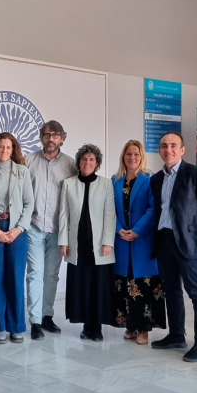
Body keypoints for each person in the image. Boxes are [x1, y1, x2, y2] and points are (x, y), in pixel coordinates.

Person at [150, 131, 197, 362]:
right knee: (171, 290)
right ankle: (176, 335)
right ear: (160, 150)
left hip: (190, 243)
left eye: (172, 145)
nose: (168, 150)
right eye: (163, 146)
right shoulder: (156, 179)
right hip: (164, 241)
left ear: (182, 150)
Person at [25, 121, 77, 340]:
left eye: (55, 135)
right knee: (35, 274)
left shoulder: (71, 165)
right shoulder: (28, 161)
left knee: (51, 275)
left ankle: (47, 316)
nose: (51, 139)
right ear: (41, 137)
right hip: (33, 227)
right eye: (47, 135)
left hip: (58, 230)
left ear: (62, 138)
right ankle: (35, 320)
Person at [58, 143, 116, 342]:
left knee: (98, 286)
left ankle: (97, 327)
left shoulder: (106, 184)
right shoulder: (68, 184)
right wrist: (63, 241)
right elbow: (63, 215)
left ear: (97, 163)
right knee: (81, 285)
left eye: (92, 159)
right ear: (79, 162)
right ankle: (85, 325)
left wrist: (108, 241)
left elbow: (110, 214)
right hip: (77, 244)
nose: (87, 162)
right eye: (84, 159)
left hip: (99, 244)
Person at [0, 132, 34, 344]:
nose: (4, 151)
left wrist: (18, 228)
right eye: (1, 147)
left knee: (15, 278)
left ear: (14, 150)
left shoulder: (22, 171)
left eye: (9, 147)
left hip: (16, 232)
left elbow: (29, 204)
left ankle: (16, 326)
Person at [112, 140, 166, 346]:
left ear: (141, 156)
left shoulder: (149, 179)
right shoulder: (114, 180)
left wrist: (136, 231)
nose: (132, 158)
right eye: (128, 154)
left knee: (143, 285)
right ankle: (130, 325)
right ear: (123, 156)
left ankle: (144, 328)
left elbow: (153, 209)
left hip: (142, 240)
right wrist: (119, 229)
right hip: (121, 241)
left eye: (136, 154)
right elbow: (110, 209)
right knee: (125, 285)